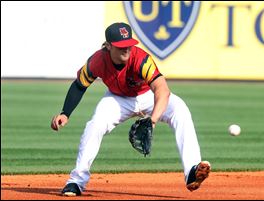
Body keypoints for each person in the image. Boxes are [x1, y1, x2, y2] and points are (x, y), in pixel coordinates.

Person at [51, 22, 211, 196]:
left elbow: (162, 90)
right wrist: (65, 113)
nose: (126, 49)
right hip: (117, 99)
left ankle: (192, 172)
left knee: (180, 110)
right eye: (120, 47)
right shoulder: (97, 60)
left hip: (147, 96)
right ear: (108, 46)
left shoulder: (141, 59)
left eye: (128, 45)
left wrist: (153, 120)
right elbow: (79, 85)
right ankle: (76, 181)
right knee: (95, 125)